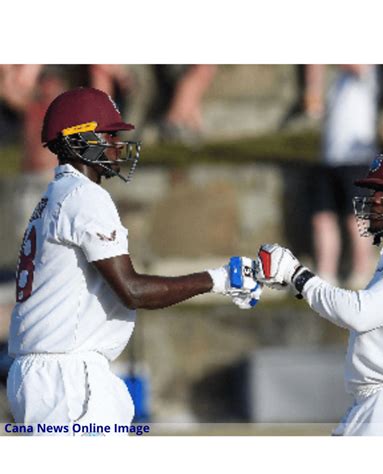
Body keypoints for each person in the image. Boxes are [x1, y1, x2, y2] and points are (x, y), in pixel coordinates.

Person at [7, 87, 261, 435]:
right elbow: (133, 290)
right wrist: (220, 279)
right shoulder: (85, 195)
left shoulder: (55, 196)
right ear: (79, 139)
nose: (116, 145)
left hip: (44, 376)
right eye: (109, 135)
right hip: (68, 379)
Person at [256, 144, 383, 436]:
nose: (375, 200)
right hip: (382, 403)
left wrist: (297, 275)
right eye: (375, 190)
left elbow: (359, 313)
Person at [311, 65, 378, 288]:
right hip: (330, 158)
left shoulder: (367, 70)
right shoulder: (336, 80)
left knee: (356, 220)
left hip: (357, 159)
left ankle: (362, 274)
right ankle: (325, 275)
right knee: (322, 217)